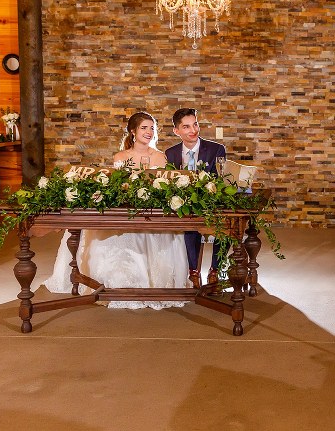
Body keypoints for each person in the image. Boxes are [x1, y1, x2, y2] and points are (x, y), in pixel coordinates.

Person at [43, 111, 189, 309]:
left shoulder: (159, 157)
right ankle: (108, 281)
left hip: (150, 212)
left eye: (152, 128)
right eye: (144, 128)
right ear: (133, 131)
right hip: (126, 210)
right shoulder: (121, 157)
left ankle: (151, 284)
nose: (149, 132)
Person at [165, 108, 227, 289]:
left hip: (212, 203)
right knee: (189, 225)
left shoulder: (217, 149)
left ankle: (215, 269)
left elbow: (220, 180)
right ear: (177, 131)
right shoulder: (170, 153)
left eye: (195, 124)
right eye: (186, 127)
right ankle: (193, 271)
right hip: (185, 205)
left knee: (226, 224)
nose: (193, 130)